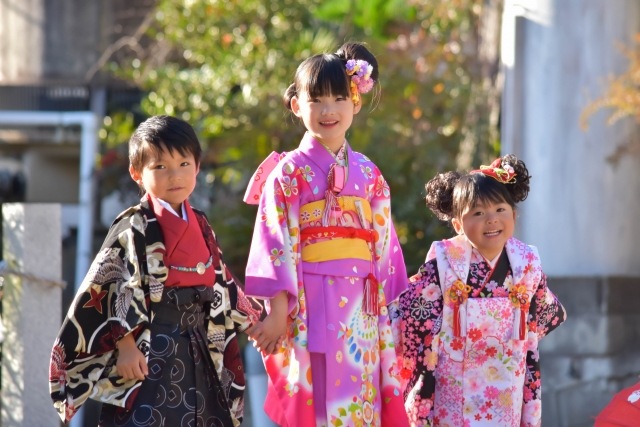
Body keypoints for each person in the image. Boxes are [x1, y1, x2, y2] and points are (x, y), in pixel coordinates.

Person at [49, 115, 262, 427]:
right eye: (160, 166)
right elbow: (110, 286)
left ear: (198, 166)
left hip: (197, 342)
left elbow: (220, 279)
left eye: (184, 164)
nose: (174, 175)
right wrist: (124, 345)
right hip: (148, 346)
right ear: (137, 173)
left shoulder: (200, 222)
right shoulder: (133, 224)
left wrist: (257, 322)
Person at [243, 41, 410, 426]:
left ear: (355, 102)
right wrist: (277, 313)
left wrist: (395, 315)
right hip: (308, 302)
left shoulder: (369, 173)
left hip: (362, 311)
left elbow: (385, 248)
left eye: (338, 98)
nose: (329, 110)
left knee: (362, 400)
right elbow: (275, 241)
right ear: (296, 105)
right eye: (316, 100)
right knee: (316, 404)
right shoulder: (288, 173)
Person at [399, 154, 567, 427]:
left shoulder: (527, 265)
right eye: (478, 213)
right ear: (457, 225)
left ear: (514, 214)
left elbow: (541, 318)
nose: (491, 220)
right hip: (452, 386)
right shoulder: (443, 263)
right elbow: (409, 314)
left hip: (507, 382)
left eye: (500, 210)